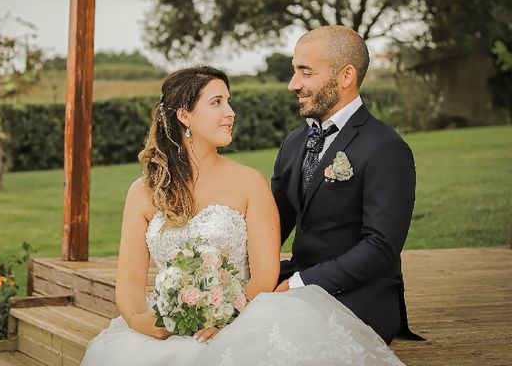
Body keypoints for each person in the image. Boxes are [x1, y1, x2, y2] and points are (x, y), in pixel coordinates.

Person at [81, 65, 404, 365]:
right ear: (184, 115)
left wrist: (226, 317)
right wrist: (144, 322)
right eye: (217, 102)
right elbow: (130, 284)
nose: (230, 113)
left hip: (242, 315)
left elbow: (265, 271)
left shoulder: (249, 182)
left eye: (229, 101)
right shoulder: (143, 192)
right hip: (165, 324)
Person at [272, 25, 420, 344]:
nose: (292, 84)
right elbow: (272, 225)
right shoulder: (294, 144)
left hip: (360, 298)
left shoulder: (386, 148)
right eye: (294, 71)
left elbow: (380, 248)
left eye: (305, 72)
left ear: (345, 76)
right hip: (296, 279)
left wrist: (298, 284)